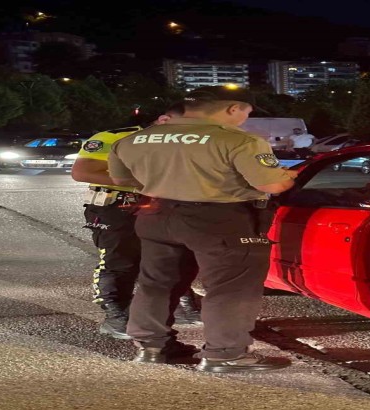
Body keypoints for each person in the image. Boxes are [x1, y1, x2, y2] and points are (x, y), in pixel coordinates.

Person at [107, 85, 297, 371]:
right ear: (233, 108)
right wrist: (288, 177)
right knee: (231, 286)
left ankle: (151, 347)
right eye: (247, 112)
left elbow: (121, 180)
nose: (245, 118)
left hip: (157, 215)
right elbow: (272, 184)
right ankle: (226, 354)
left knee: (156, 282)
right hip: (219, 219)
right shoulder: (238, 140)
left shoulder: (136, 139)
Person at [71, 103, 202, 341]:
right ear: (164, 120)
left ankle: (181, 306)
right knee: (120, 261)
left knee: (174, 257)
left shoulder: (189, 142)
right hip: (117, 207)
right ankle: (116, 316)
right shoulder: (115, 137)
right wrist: (145, 182)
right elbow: (83, 171)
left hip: (167, 206)